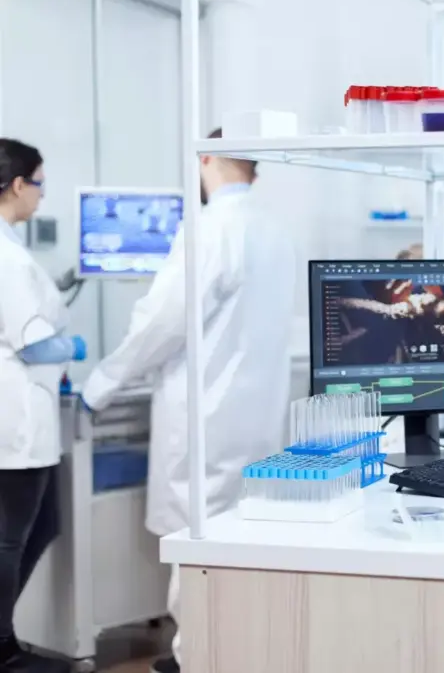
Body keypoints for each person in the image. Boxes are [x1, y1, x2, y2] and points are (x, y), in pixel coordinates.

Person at [82, 128, 297, 673]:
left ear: (206, 158)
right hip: (256, 415)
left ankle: (194, 657)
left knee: (196, 542)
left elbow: (161, 323)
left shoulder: (212, 228)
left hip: (206, 416)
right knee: (240, 539)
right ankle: (235, 651)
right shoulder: (276, 229)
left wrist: (101, 384)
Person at [0, 139, 86, 673]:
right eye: (39, 184)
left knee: (42, 523)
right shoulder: (8, 258)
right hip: (17, 419)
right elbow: (33, 344)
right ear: (16, 185)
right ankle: (2, 650)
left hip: (21, 415)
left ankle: (4, 637)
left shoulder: (12, 251)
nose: (41, 195)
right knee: (10, 538)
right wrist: (72, 346)